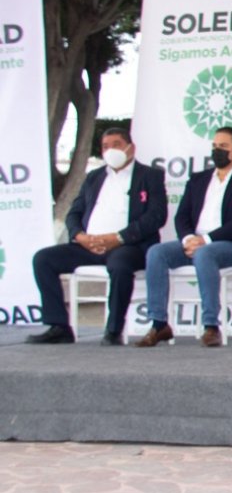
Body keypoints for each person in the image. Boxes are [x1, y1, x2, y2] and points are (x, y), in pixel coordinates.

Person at [28, 128, 166, 346]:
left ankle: (113, 330)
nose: (111, 150)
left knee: (120, 268)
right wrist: (79, 236)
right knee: (43, 259)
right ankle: (59, 326)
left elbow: (156, 216)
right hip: (88, 245)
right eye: (105, 146)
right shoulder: (94, 177)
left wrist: (118, 238)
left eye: (117, 144)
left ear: (131, 148)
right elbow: (74, 213)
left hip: (127, 246)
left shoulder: (150, 176)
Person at [134, 126, 232, 347]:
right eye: (214, 146)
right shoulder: (199, 179)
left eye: (223, 146)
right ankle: (159, 324)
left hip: (229, 245)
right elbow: (181, 216)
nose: (217, 151)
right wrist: (187, 239)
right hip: (193, 242)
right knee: (156, 253)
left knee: (205, 254)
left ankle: (211, 326)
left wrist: (206, 240)